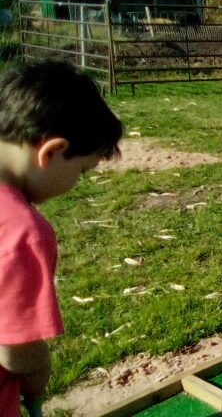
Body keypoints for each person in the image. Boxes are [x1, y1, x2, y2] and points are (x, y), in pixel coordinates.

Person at [0, 60, 123, 417]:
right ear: (51, 151)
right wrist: (38, 373)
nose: (76, 183)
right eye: (81, 171)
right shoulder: (21, 232)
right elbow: (15, 345)